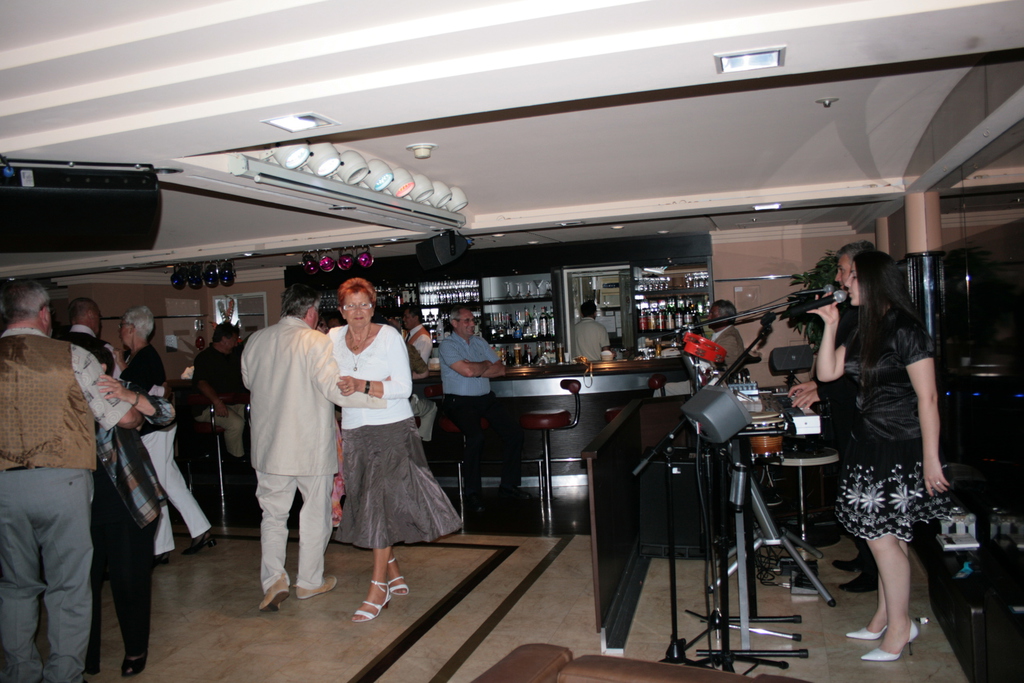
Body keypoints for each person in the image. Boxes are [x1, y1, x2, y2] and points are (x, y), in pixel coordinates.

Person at [812, 250, 951, 662]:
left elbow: (928, 398)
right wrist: (830, 326)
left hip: (899, 443)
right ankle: (883, 617)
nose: (845, 283)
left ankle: (900, 628)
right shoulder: (863, 327)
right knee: (888, 537)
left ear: (873, 280)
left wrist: (931, 458)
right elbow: (827, 373)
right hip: (868, 439)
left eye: (853, 276)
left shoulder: (906, 329)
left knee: (882, 538)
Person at [0, 279, 140, 683]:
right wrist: (135, 408)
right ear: (45, 314)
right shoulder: (73, 356)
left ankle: (19, 673)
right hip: (62, 484)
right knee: (69, 587)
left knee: (14, 586)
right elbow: (119, 417)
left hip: (4, 487)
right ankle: (63, 674)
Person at [241, 284, 386, 613]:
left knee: (273, 516)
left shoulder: (256, 340)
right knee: (315, 514)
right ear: (310, 312)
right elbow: (334, 390)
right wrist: (379, 400)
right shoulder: (316, 341)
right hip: (308, 446)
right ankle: (308, 581)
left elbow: (249, 382)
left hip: (268, 446)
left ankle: (273, 580)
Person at [331, 278, 462, 622]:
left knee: (381, 503)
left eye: (364, 304)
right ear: (341, 310)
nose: (358, 311)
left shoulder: (388, 336)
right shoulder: (332, 339)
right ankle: (393, 570)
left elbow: (404, 388)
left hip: (391, 428)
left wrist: (362, 385)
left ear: (373, 307)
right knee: (367, 500)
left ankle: (378, 587)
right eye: (350, 305)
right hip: (354, 430)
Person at [788, 239, 879, 593]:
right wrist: (815, 385)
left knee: (863, 492)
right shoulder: (854, 311)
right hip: (846, 413)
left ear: (860, 272)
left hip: (864, 418)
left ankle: (873, 570)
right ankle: (864, 556)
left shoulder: (869, 316)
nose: (838, 278)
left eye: (842, 271)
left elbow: (855, 375)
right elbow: (836, 367)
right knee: (850, 484)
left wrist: (821, 391)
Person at [83, 343, 173, 678]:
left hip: (129, 498)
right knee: (81, 585)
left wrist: (128, 395)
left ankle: (135, 649)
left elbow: (165, 413)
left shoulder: (118, 388)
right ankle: (85, 656)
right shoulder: (60, 392)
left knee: (128, 582)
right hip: (77, 501)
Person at [120, 305, 214, 562]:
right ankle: (198, 530)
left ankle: (161, 547)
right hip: (158, 427)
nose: (120, 331)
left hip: (155, 428)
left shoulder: (144, 357)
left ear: (132, 328)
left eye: (122, 326)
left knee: (156, 483)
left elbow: (151, 393)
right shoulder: (140, 356)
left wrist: (121, 368)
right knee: (168, 480)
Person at [439, 304, 530, 513]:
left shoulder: (480, 342)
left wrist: (476, 367)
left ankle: (508, 487)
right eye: (467, 320)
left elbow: (501, 369)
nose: (472, 324)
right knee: (476, 437)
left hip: (485, 399)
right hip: (459, 401)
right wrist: (484, 365)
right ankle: (472, 493)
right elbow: (467, 371)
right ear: (454, 323)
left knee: (515, 433)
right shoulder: (447, 346)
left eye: (473, 320)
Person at [192, 322, 247, 459]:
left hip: (234, 402)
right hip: (208, 406)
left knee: (255, 417)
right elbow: (201, 383)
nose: (236, 344)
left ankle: (251, 455)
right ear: (224, 339)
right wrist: (217, 402)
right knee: (236, 423)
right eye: (234, 340)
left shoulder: (234, 357)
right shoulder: (205, 358)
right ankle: (235, 459)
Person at [58, 297, 122, 378]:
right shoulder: (104, 348)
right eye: (98, 315)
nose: (100, 321)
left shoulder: (55, 345)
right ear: (90, 314)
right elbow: (118, 381)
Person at [706, 299, 745, 366]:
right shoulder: (721, 334)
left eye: (712, 314)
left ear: (725, 318)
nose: (708, 317)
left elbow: (717, 364)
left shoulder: (730, 338)